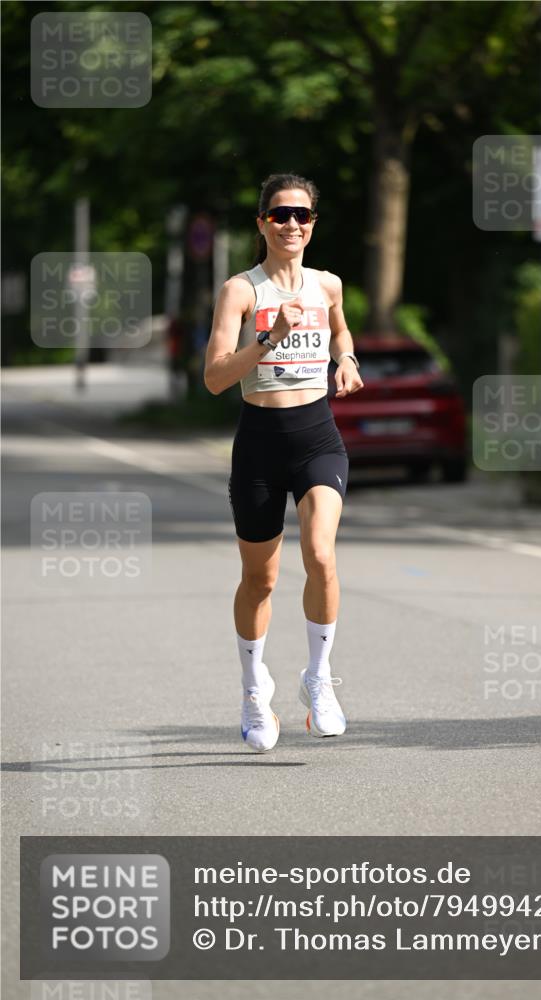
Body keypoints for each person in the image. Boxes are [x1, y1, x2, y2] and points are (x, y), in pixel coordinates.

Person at [204, 173, 364, 752]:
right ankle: (254, 690)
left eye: (302, 214)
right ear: (262, 224)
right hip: (260, 444)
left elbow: (342, 333)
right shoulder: (240, 292)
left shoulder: (329, 285)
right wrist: (269, 339)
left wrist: (345, 360)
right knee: (261, 577)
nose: (291, 223)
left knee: (321, 554)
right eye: (279, 215)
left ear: (313, 224)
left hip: (318, 437)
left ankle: (318, 680)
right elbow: (216, 377)